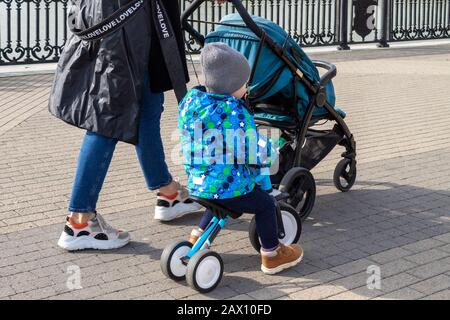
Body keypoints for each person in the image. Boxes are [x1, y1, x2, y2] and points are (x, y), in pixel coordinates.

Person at [49, 0, 204, 251]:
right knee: (107, 119)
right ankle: (80, 221)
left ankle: (169, 194)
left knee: (147, 109)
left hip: (133, 20)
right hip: (130, 23)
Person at [179, 43, 303, 274]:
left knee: (217, 200)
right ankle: (272, 254)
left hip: (199, 183)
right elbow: (250, 147)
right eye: (243, 84)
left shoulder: (192, 104)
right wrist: (270, 150)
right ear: (230, 85)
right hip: (229, 187)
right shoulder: (232, 111)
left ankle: (197, 237)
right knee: (265, 205)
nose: (245, 89)